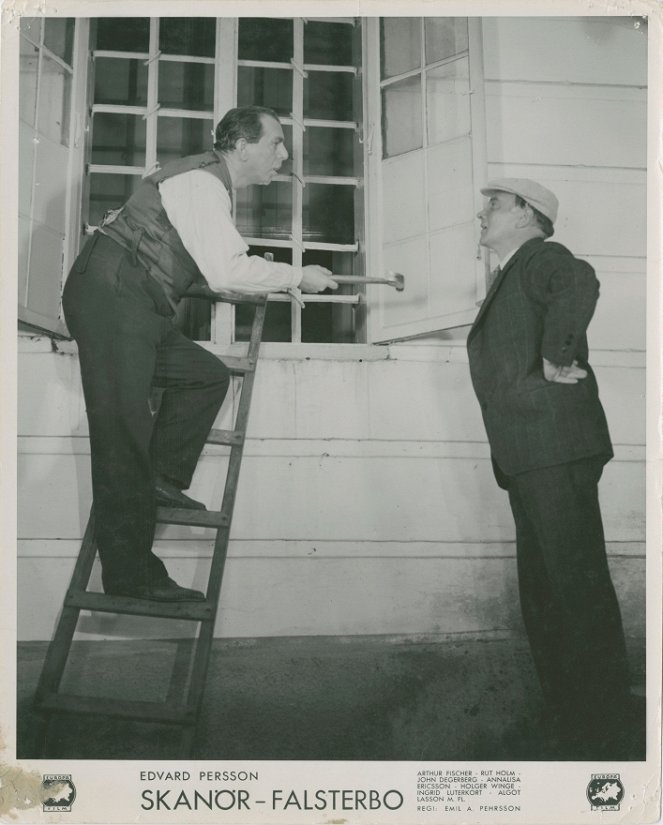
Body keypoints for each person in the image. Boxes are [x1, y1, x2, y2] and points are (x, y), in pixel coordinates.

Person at [62, 105, 337, 603]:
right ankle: (131, 577)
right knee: (123, 432)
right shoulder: (202, 183)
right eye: (275, 142)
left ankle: (161, 480)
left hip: (136, 302)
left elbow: (205, 263)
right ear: (241, 145)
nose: (285, 153)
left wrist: (235, 273)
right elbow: (227, 270)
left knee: (204, 376)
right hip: (113, 294)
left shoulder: (208, 185)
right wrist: (299, 275)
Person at [467, 178, 641, 758]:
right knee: (545, 594)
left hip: (554, 447)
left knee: (573, 589)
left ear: (527, 215)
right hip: (531, 452)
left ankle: (609, 728)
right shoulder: (514, 270)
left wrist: (556, 355)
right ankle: (572, 721)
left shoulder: (545, 257)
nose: (482, 213)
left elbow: (579, 281)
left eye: (495, 204)